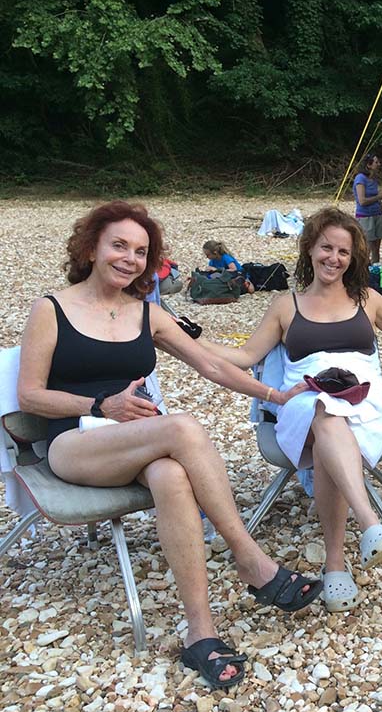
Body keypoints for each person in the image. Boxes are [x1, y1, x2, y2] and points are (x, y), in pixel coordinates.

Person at [16, 201, 322, 690]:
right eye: (119, 245)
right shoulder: (51, 308)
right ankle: (250, 557)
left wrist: (276, 394)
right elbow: (29, 394)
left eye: (141, 251)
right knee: (180, 427)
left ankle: (200, 634)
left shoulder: (148, 313)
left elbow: (213, 365)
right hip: (75, 441)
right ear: (91, 247)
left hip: (138, 443)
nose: (129, 258)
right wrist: (102, 405)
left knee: (172, 475)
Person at [202, 206, 382, 613]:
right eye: (326, 248)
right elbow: (245, 354)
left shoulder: (368, 300)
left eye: (343, 252)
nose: (333, 258)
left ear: (353, 258)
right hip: (302, 397)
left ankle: (335, 565)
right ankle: (369, 521)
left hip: (363, 398)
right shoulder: (285, 305)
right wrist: (186, 341)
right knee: (323, 408)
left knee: (329, 426)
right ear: (309, 249)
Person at [353, 153, 382, 263]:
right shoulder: (360, 178)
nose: (379, 164)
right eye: (376, 162)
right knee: (366, 248)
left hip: (378, 215)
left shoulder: (373, 179)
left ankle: (375, 269)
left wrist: (379, 200)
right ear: (369, 165)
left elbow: (372, 196)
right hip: (365, 217)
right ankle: (363, 272)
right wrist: (379, 197)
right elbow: (362, 201)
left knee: (376, 248)